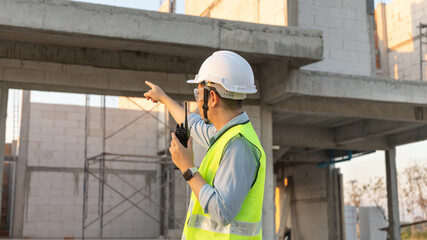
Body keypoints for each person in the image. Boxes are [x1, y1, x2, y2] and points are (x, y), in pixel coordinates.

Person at [144, 50, 266, 240]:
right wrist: (163, 98)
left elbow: (222, 212)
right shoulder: (225, 134)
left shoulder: (239, 145)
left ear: (213, 98)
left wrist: (187, 168)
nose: (197, 100)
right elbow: (191, 124)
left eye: (198, 93)